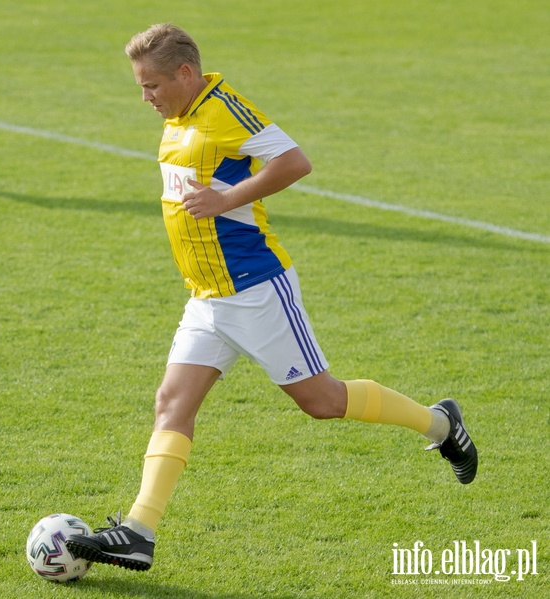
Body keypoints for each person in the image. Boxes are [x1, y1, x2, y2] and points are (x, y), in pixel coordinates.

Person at [65, 23, 478, 572]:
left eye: (152, 86)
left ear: (185, 74)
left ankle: (442, 425)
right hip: (206, 297)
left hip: (256, 289)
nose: (145, 97)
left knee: (322, 401)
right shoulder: (178, 118)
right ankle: (139, 531)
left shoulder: (226, 109)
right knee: (172, 403)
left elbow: (294, 161)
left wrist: (227, 198)